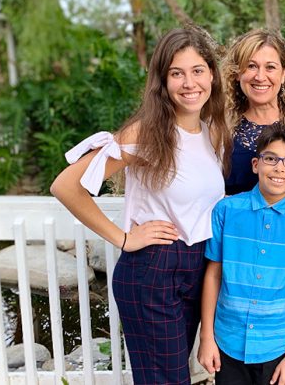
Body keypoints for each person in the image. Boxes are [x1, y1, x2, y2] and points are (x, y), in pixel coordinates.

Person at [50, 26, 231, 385]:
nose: (189, 82)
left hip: (196, 266)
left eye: (197, 71)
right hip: (154, 269)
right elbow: (66, 186)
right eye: (176, 73)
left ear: (212, 74)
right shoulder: (146, 132)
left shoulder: (212, 131)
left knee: (173, 376)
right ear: (162, 81)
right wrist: (123, 238)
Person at [197, 123, 285, 385]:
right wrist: (206, 337)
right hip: (228, 339)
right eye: (270, 158)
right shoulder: (226, 211)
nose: (279, 168)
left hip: (276, 344)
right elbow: (213, 275)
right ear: (256, 164)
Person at [223, 28, 285, 206]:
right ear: (238, 73)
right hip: (236, 231)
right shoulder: (220, 121)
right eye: (251, 66)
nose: (260, 76)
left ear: (284, 73)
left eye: (270, 67)